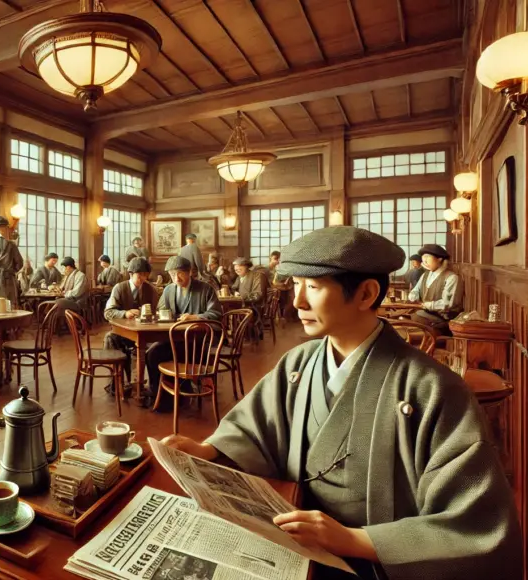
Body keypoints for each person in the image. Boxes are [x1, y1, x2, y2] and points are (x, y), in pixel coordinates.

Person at [162, 226, 522, 580]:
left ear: (366, 294)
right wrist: (208, 449)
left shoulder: (433, 389)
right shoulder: (298, 362)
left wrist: (355, 539)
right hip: (294, 536)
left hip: (372, 564)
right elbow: (254, 428)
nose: (298, 302)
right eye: (296, 287)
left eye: (313, 288)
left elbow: (477, 526)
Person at [145, 256, 222, 400]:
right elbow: (161, 311)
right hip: (174, 339)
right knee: (152, 353)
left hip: (198, 342)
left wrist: (195, 317)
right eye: (172, 274)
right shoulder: (169, 290)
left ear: (190, 272)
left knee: (175, 354)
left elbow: (216, 313)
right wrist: (162, 315)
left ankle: (181, 389)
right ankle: (158, 394)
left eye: (179, 273)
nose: (176, 278)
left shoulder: (205, 289)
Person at [102, 257, 159, 394]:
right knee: (110, 338)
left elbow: (158, 311)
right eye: (139, 275)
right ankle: (116, 384)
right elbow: (108, 312)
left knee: (158, 347)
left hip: (145, 333)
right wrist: (124, 313)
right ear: (131, 274)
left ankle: (153, 387)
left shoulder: (151, 290)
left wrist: (152, 315)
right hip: (122, 333)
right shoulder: (119, 288)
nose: (143, 278)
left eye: (145, 275)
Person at [407, 244, 463, 334]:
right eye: (423, 257)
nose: (424, 261)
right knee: (407, 320)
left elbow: (448, 304)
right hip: (427, 314)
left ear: (439, 259)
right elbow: (416, 290)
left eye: (428, 257)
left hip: (443, 319)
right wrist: (413, 295)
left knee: (412, 321)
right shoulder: (425, 275)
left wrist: (428, 305)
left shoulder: (451, 277)